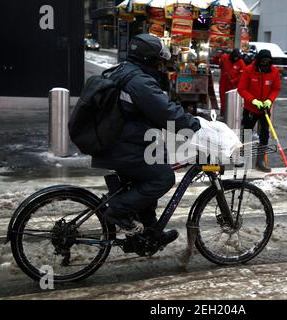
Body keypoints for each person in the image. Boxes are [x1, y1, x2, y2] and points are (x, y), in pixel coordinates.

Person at [91, 34, 201, 248]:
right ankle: (117, 210)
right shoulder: (139, 81)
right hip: (122, 147)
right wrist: (194, 124)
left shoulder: (125, 70)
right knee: (163, 177)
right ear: (149, 59)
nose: (162, 66)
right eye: (159, 61)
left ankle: (150, 233)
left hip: (116, 142)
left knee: (152, 169)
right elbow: (165, 111)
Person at [238, 49, 281, 172]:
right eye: (262, 61)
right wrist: (253, 100)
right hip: (251, 108)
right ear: (258, 60)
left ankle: (259, 162)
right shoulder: (248, 70)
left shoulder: (274, 71)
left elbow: (276, 88)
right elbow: (242, 89)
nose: (265, 63)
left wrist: (269, 100)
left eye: (267, 61)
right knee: (246, 132)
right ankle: (243, 158)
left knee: (264, 134)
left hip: (265, 109)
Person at [218, 48, 246, 114]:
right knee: (223, 98)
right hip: (223, 83)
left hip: (233, 85)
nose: (236, 59)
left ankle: (231, 113)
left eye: (237, 57)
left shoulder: (241, 63)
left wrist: (234, 80)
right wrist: (218, 56)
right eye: (235, 57)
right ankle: (223, 112)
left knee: (232, 100)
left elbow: (242, 75)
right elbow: (216, 61)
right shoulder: (225, 58)